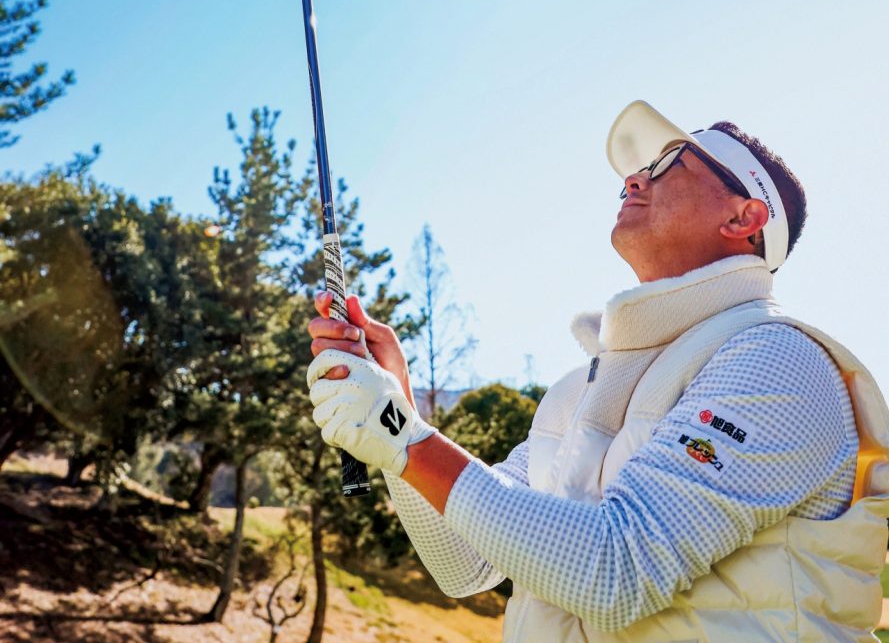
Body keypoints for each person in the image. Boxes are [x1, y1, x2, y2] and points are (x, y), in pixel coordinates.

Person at [308, 100, 889, 642]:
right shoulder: (578, 391)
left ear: (745, 217)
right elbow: (465, 564)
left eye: (669, 164)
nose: (635, 179)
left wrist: (403, 438)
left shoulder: (779, 360)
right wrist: (400, 408)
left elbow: (615, 574)